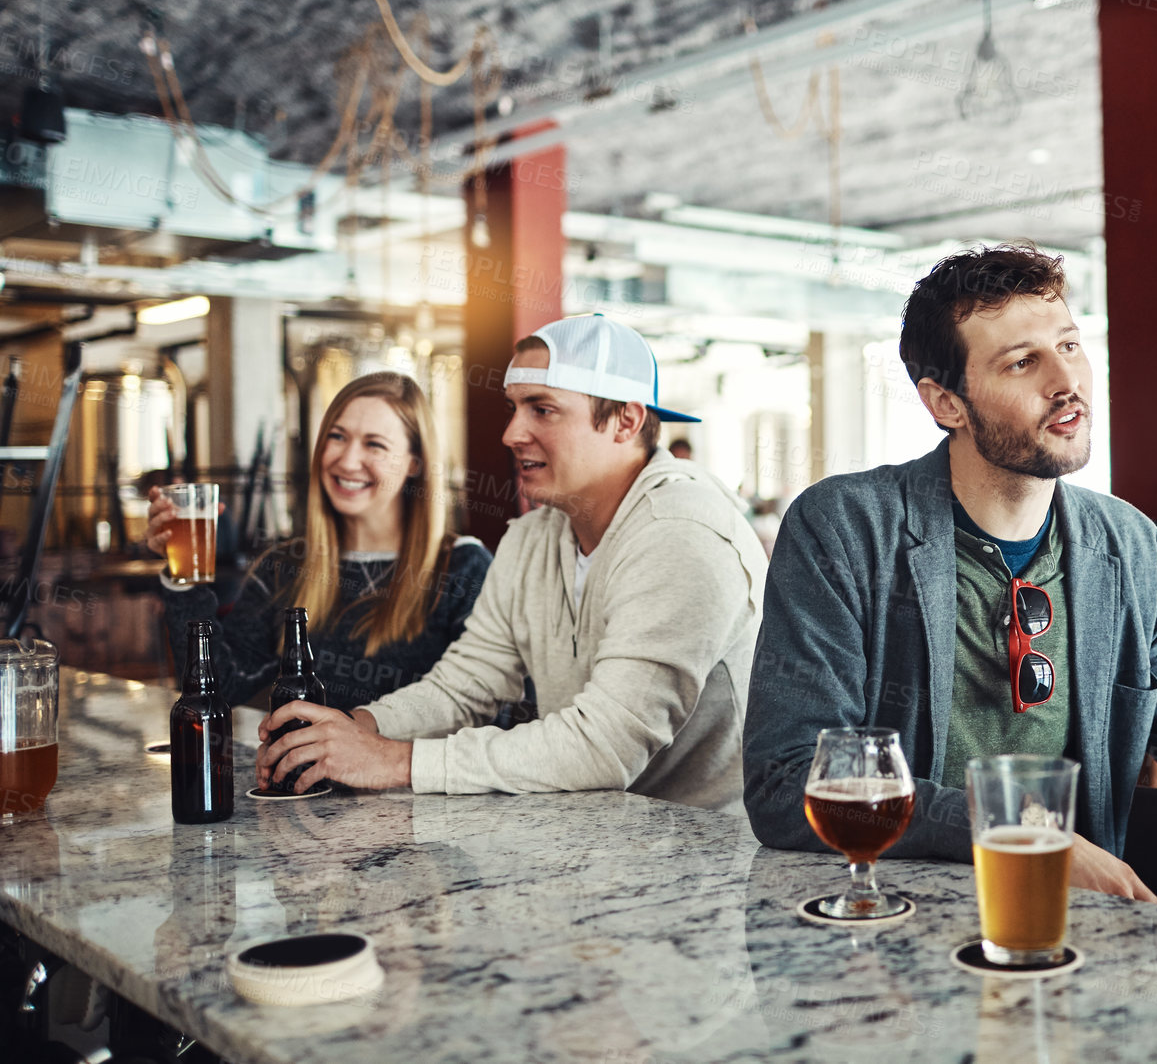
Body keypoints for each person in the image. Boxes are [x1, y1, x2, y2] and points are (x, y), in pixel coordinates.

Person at [744, 243, 1157, 900]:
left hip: (1078, 926)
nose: (1067, 382)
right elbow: (785, 782)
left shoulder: (1128, 544)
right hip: (888, 922)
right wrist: (1018, 831)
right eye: (1023, 362)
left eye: (1070, 346)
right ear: (946, 404)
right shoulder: (844, 529)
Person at [255, 314, 768, 810]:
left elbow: (605, 746)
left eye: (542, 409)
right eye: (514, 407)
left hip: (710, 862)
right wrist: (355, 730)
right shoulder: (534, 535)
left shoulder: (682, 531)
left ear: (625, 420)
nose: (511, 433)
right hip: (594, 840)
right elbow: (466, 684)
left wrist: (395, 761)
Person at [147, 372, 492, 710]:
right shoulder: (285, 566)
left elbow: (492, 708)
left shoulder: (463, 567)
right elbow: (219, 689)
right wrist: (183, 578)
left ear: (415, 463)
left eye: (374, 444)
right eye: (337, 436)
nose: (347, 460)